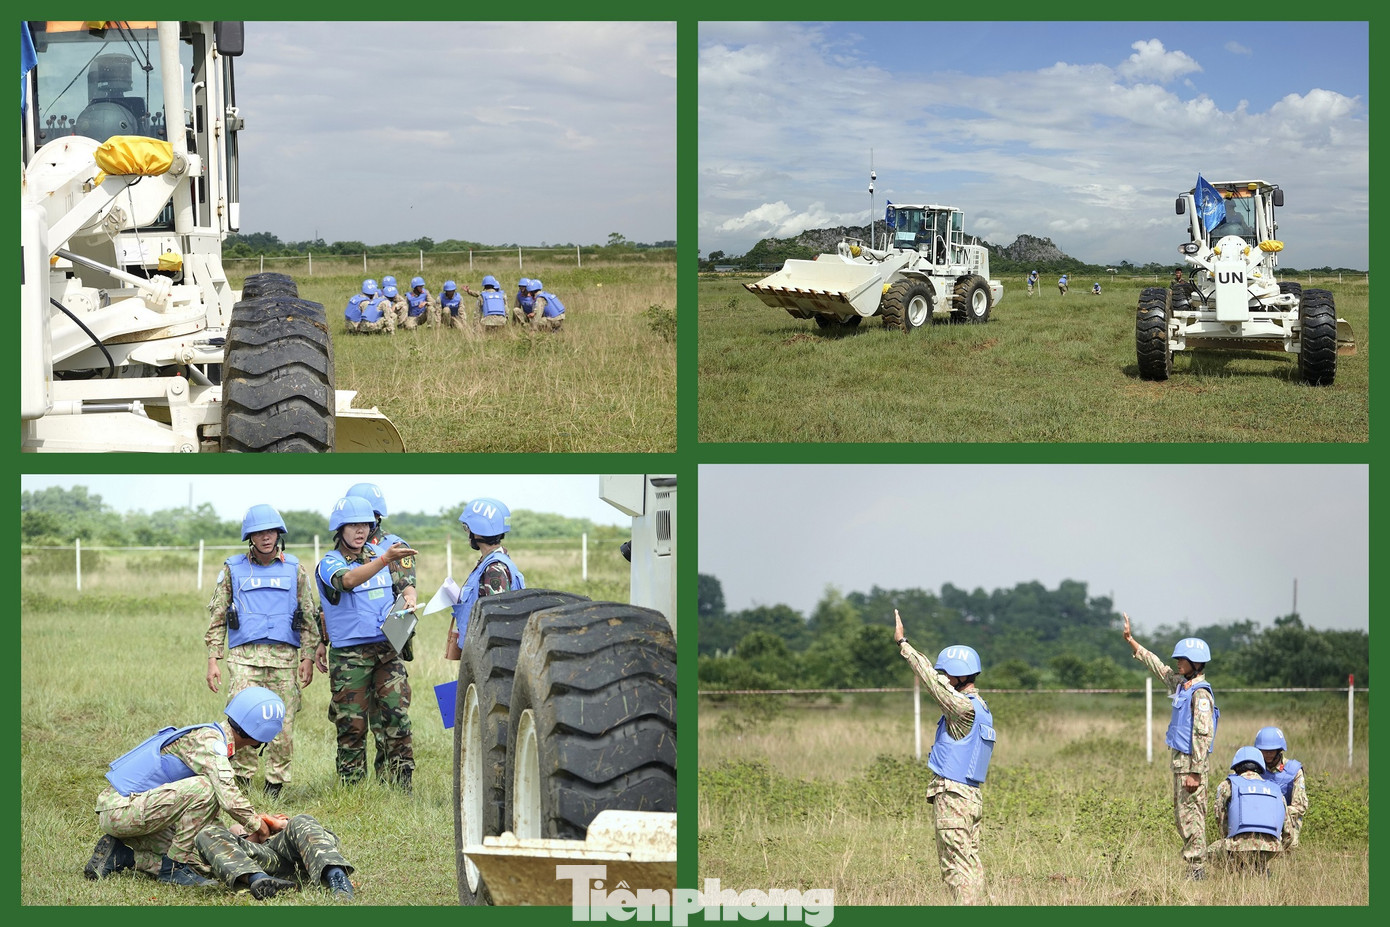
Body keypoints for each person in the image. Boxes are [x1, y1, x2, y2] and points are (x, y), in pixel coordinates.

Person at [84, 687, 287, 889]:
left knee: (205, 859)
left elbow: (205, 816)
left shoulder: (214, 738)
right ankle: (175, 867)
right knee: (206, 788)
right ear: (263, 737)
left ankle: (123, 856)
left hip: (133, 807)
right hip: (121, 810)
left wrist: (231, 839)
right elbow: (228, 798)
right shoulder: (211, 742)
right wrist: (259, 826)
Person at [205, 504, 321, 799]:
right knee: (241, 720)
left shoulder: (294, 568)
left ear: (278, 534)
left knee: (282, 723)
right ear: (250, 537)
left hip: (284, 661)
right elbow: (218, 615)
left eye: (271, 531)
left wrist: (307, 658)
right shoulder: (233, 568)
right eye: (259, 532)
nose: (266, 537)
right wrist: (213, 660)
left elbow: (308, 615)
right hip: (244, 659)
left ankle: (276, 784)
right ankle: (240, 779)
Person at [893, 610, 995, 905]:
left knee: (956, 868)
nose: (943, 678)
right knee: (969, 864)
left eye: (947, 673)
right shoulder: (983, 708)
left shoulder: (962, 708)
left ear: (961, 676)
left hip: (953, 796)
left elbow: (930, 682)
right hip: (971, 796)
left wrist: (903, 644)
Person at [315, 496, 418, 791]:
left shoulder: (380, 553)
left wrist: (409, 596)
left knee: (396, 716)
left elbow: (404, 582)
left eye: (365, 524)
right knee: (352, 725)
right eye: (353, 525)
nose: (360, 531)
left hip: (388, 649)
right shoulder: (329, 562)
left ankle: (400, 784)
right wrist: (383, 560)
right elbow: (346, 581)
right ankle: (352, 788)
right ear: (340, 529)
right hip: (350, 657)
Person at [1122, 613, 1219, 879]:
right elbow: (1158, 667)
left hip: (1191, 765)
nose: (1177, 663)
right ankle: (1194, 866)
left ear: (1195, 663)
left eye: (1181, 660)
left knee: (1192, 816)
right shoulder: (1181, 685)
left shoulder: (1200, 694)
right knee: (1182, 816)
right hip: (1181, 764)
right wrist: (1132, 642)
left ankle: (1197, 868)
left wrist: (1196, 772)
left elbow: (1202, 734)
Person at [194, 813, 356, 900]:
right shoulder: (243, 834)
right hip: (263, 860)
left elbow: (329, 840)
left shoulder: (291, 826)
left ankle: (336, 876)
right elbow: (221, 854)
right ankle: (258, 880)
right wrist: (248, 836)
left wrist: (280, 824)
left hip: (297, 852)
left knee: (301, 819)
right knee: (206, 833)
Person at [449, 498, 526, 650]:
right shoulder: (490, 562)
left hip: (488, 654)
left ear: (478, 531)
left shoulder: (494, 569)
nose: (467, 533)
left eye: (467, 528)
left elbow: (498, 619)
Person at [1209, 746, 1285, 875]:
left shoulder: (1227, 785)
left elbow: (1219, 816)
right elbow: (1287, 824)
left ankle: (1237, 869)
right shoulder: (1275, 788)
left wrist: (1228, 836)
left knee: (1208, 853)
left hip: (1237, 847)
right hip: (1271, 848)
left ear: (1237, 766)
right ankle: (1260, 867)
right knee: (1260, 855)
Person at [1255, 726, 1307, 851]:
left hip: (1286, 820)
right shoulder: (1253, 769)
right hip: (1258, 818)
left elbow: (1300, 806)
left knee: (1289, 847)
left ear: (1279, 750)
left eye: (1271, 750)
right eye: (1264, 750)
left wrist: (1277, 813)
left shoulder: (1294, 771)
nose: (1267, 754)